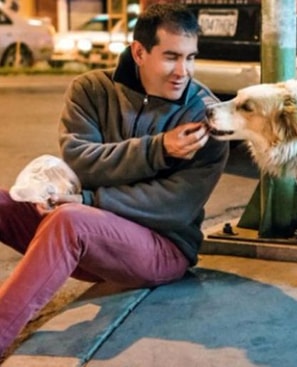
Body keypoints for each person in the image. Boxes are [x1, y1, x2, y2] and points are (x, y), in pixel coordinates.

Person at [0, 3, 228, 355]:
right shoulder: (91, 89)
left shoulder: (203, 115)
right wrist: (159, 149)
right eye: (170, 57)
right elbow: (81, 162)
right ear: (139, 52)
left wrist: (90, 201)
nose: (183, 71)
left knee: (70, 220)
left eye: (190, 58)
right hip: (95, 245)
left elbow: (175, 207)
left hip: (161, 250)